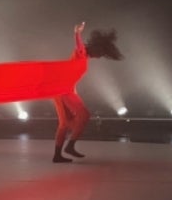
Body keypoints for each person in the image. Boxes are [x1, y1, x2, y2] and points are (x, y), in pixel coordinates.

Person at [52, 21, 123, 163]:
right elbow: (79, 46)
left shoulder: (85, 56)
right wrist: (77, 33)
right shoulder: (82, 52)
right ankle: (70, 146)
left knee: (64, 124)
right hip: (63, 90)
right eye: (100, 53)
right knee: (84, 115)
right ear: (95, 48)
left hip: (65, 89)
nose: (100, 56)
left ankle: (57, 155)